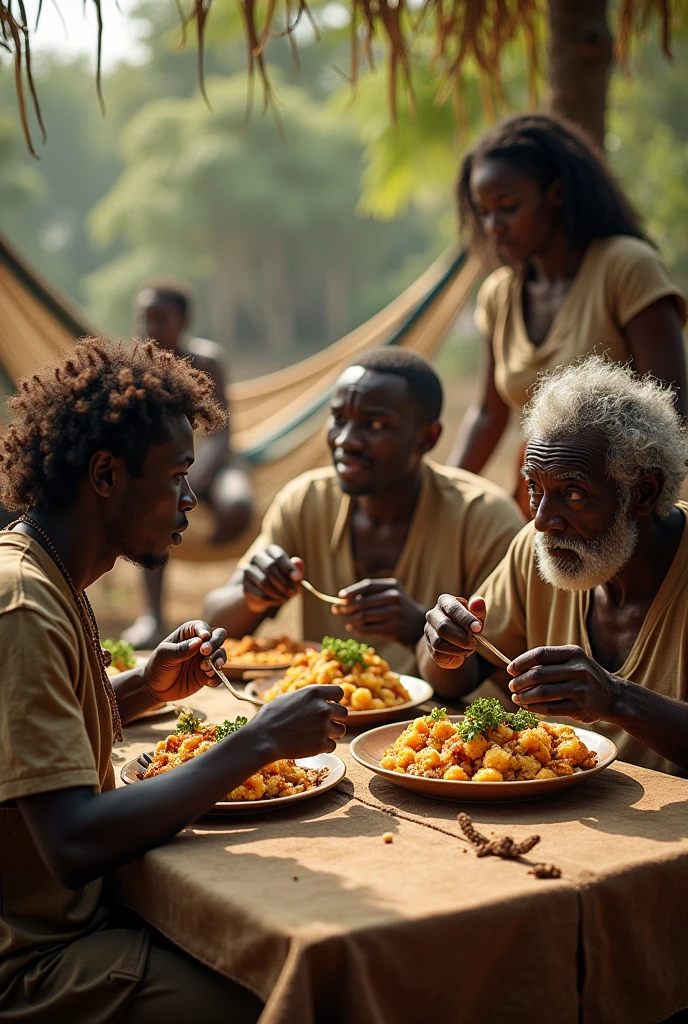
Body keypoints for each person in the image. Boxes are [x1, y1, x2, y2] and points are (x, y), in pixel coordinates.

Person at [0, 338, 347, 1022]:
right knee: (291, 996)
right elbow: (72, 843)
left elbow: (36, 736)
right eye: (176, 475)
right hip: (35, 962)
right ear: (105, 475)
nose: (190, 498)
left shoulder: (48, 574)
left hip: (85, 919)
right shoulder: (23, 602)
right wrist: (260, 742)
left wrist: (144, 689)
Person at [423, 356, 688, 776]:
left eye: (575, 493)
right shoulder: (538, 550)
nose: (543, 520)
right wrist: (443, 645)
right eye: (534, 488)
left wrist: (616, 699)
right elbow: (450, 679)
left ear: (643, 492)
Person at [205, 348, 524, 675]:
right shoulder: (306, 502)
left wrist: (420, 629)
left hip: (443, 722)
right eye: (339, 419)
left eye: (374, 424)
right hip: (327, 714)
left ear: (427, 438)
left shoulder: (484, 518)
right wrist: (252, 596)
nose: (346, 440)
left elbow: (500, 671)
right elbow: (213, 627)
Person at [448, 112, 687, 510]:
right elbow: (489, 415)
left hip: (619, 513)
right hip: (539, 512)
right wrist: (444, 502)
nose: (493, 226)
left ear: (555, 194)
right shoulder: (498, 295)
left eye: (507, 207)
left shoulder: (626, 267)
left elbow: (672, 409)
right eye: (484, 212)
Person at [122, 280, 254, 648]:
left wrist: (201, 470)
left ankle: (228, 598)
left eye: (161, 319)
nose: (151, 328)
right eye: (145, 319)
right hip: (166, 468)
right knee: (151, 515)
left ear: (183, 321)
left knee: (240, 508)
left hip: (214, 462)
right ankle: (152, 616)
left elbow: (224, 431)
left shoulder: (209, 361)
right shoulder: (137, 365)